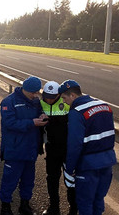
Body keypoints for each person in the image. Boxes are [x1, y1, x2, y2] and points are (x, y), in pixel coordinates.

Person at [58, 80, 116, 215]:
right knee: (98, 199)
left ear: (72, 95)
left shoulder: (76, 112)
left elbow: (74, 145)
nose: (65, 102)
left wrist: (70, 168)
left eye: (65, 98)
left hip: (87, 166)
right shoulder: (104, 105)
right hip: (107, 162)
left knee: (85, 202)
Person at [0, 76, 48, 215]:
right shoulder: (9, 102)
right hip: (14, 149)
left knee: (28, 180)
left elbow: (39, 115)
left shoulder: (36, 102)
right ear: (25, 89)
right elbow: (9, 123)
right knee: (9, 180)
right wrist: (32, 122)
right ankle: (5, 206)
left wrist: (42, 117)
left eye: (36, 92)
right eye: (32, 92)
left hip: (31, 148)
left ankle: (24, 204)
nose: (34, 95)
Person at [40, 81, 77, 215]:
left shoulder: (67, 103)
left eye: (52, 97)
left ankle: (73, 208)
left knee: (71, 180)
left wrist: (50, 120)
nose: (49, 99)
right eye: (46, 96)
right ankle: (54, 207)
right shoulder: (40, 103)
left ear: (59, 95)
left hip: (68, 149)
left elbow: (72, 122)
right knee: (52, 178)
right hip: (51, 148)